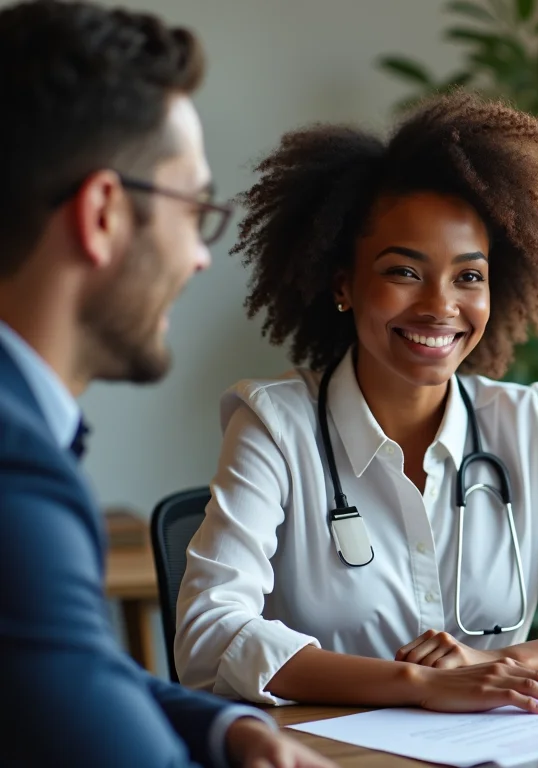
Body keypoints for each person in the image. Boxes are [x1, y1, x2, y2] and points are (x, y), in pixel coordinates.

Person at [173, 90, 538, 709]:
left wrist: (501, 665)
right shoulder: (275, 425)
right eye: (404, 272)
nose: (440, 306)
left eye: (469, 276)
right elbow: (209, 635)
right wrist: (420, 684)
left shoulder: (525, 425)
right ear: (344, 283)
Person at [0, 2, 333, 766]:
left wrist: (230, 728)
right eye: (194, 211)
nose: (200, 256)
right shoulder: (15, 472)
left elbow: (74, 664)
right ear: (104, 214)